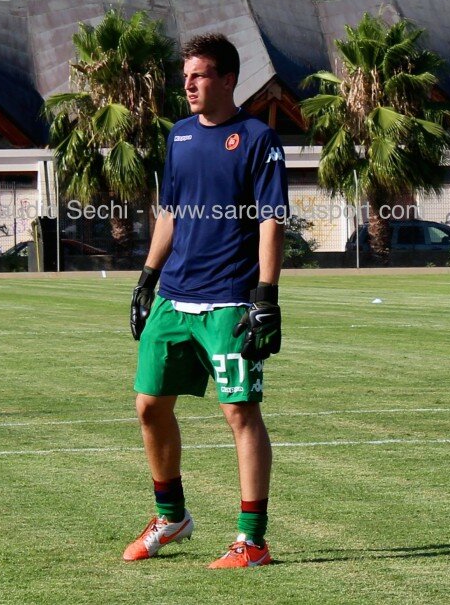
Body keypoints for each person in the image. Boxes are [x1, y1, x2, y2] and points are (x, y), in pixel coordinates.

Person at [123, 33, 288, 569]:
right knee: (149, 405)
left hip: (229, 302)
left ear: (228, 79)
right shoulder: (179, 137)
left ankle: (253, 541)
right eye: (186, 76)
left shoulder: (258, 138)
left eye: (199, 75)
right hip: (175, 296)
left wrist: (266, 297)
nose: (188, 85)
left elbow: (270, 221)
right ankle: (171, 517)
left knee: (239, 412)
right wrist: (146, 279)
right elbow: (169, 213)